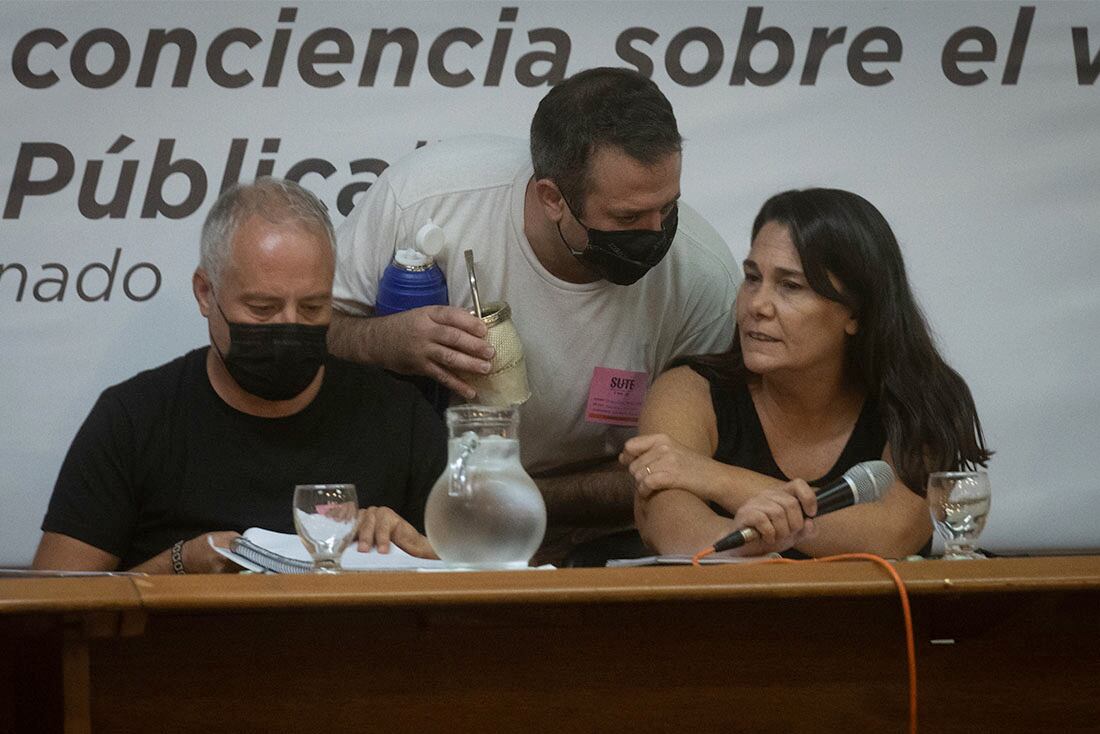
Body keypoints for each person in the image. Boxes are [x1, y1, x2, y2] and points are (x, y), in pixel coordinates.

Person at [328, 67, 738, 540]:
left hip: (592, 536)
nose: (654, 233)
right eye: (627, 216)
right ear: (552, 198)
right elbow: (312, 333)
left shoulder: (702, 276)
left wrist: (511, 498)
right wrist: (383, 340)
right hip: (407, 526)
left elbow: (684, 473)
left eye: (667, 208)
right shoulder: (428, 200)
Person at [32, 178, 446, 573]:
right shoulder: (133, 420)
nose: (289, 326)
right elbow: (53, 610)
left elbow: (479, 591)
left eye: (313, 308)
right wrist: (176, 565)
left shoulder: (400, 418)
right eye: (263, 309)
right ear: (205, 293)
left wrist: (416, 549)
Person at [622, 188, 992, 558]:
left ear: (855, 312)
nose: (758, 305)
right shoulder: (689, 391)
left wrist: (714, 477)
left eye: (790, 286)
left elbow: (889, 536)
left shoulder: (920, 397)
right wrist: (748, 538)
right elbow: (667, 527)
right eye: (752, 278)